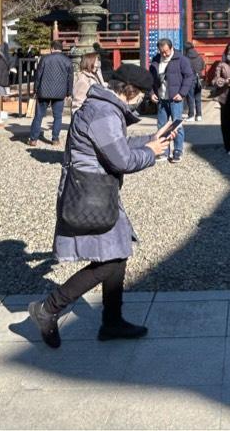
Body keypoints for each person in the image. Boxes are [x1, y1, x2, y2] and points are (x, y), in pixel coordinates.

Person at [27, 64, 173, 349]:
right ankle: (47, 309)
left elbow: (115, 144)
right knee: (111, 260)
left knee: (117, 253)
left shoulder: (104, 108)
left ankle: (112, 321)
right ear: (131, 92)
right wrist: (151, 153)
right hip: (93, 193)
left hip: (97, 190)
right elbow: (121, 160)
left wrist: (150, 139)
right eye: (143, 94)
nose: (143, 100)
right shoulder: (105, 113)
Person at [149, 38, 194, 163]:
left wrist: (182, 93)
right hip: (161, 97)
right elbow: (151, 79)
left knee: (176, 124)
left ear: (171, 48)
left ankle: (178, 150)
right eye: (161, 52)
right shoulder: (156, 60)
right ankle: (163, 150)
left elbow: (189, 76)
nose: (164, 54)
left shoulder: (181, 60)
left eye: (166, 51)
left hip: (175, 98)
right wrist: (152, 93)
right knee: (161, 126)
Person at [29, 41, 73, 147]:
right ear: (61, 49)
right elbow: (70, 78)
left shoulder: (45, 59)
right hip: (60, 92)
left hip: (44, 91)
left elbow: (38, 75)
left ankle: (33, 139)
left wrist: (35, 89)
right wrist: (69, 92)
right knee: (58, 116)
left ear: (52, 48)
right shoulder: (67, 61)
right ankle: (55, 139)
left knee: (38, 116)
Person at [183, 41, 205, 122]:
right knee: (198, 98)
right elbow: (203, 66)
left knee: (190, 98)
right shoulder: (199, 57)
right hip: (199, 79)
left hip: (189, 79)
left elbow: (183, 69)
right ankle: (199, 115)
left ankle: (191, 115)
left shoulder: (185, 58)